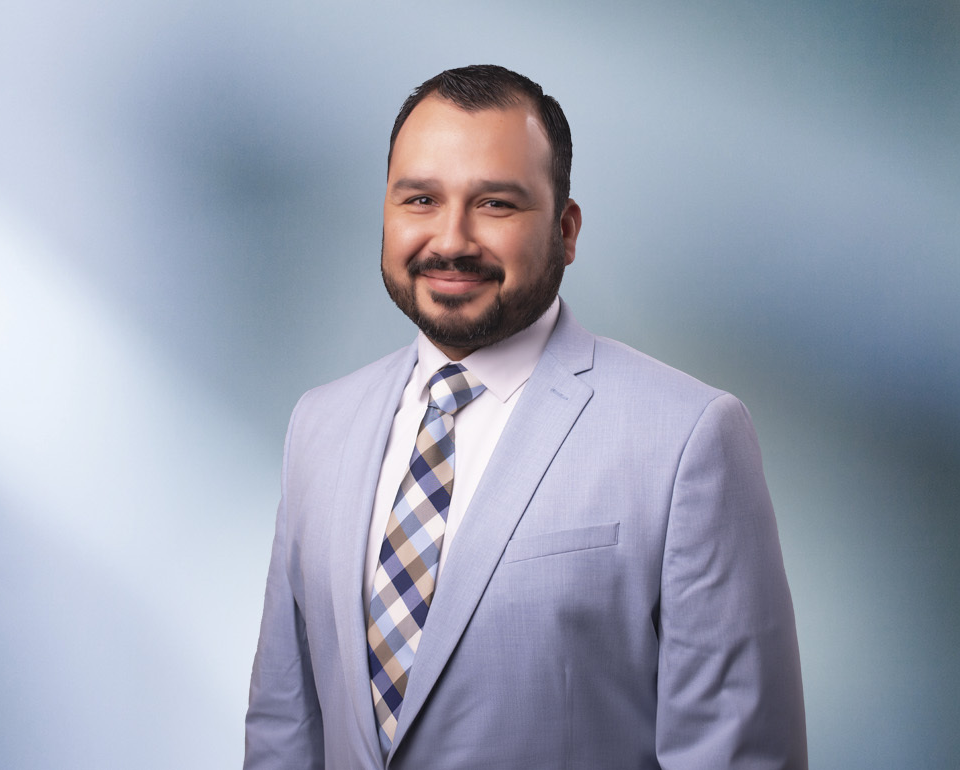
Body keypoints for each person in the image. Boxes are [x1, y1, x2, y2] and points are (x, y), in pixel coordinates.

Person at [243, 64, 807, 769]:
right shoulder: (319, 426)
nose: (450, 240)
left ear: (566, 231)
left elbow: (737, 757)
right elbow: (282, 727)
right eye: (420, 199)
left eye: (496, 205)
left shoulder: (689, 439)